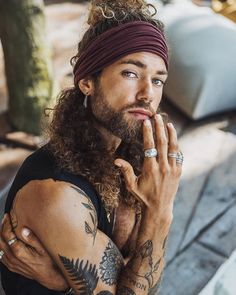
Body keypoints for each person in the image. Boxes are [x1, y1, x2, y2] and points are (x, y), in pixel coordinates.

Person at [0, 0, 183, 294]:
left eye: (158, 80)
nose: (148, 94)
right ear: (87, 82)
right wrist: (160, 210)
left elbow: (130, 266)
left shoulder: (132, 153)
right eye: (131, 73)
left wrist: (63, 281)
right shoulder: (58, 194)